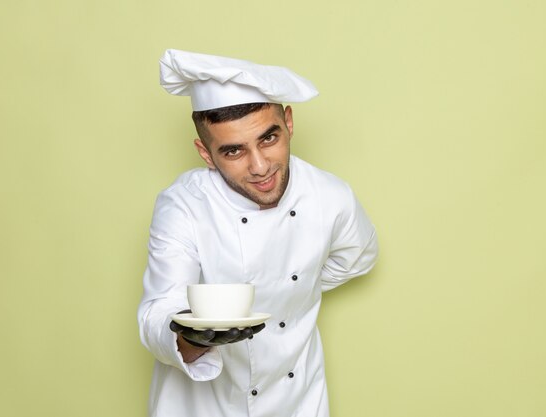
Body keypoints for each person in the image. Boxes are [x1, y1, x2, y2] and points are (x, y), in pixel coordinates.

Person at [137, 49, 379, 417]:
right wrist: (194, 338)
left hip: (297, 399)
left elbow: (358, 257)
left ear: (289, 124)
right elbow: (160, 308)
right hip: (201, 406)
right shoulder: (183, 204)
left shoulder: (331, 196)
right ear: (205, 153)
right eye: (234, 151)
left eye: (269, 139)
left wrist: (295, 288)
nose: (260, 166)